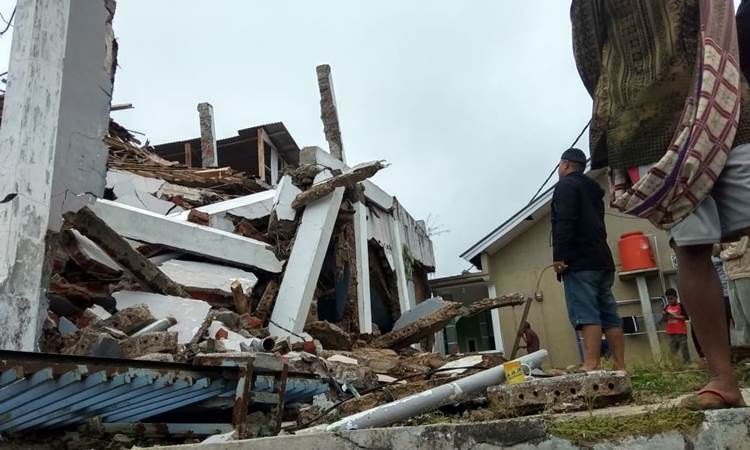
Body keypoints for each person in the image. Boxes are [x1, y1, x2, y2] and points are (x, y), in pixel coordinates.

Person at [571, 0, 750, 409]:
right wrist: (628, 92)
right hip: (647, 121)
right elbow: (589, 58)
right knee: (692, 244)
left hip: (726, 101)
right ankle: (723, 379)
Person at [551, 147, 625, 371]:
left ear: (565, 165)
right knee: (609, 313)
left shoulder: (565, 186)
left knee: (586, 312)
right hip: (602, 258)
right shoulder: (593, 189)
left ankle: (591, 363)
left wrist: (560, 256)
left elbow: (565, 221)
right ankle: (620, 365)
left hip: (579, 260)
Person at [721, 237, 750, 345]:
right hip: (731, 275)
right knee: (739, 320)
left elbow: (738, 248)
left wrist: (722, 254)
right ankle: (746, 352)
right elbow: (714, 251)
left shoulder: (740, 222)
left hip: (746, 273)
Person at [662, 289, 690, 364]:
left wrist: (674, 316)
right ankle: (674, 365)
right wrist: (665, 316)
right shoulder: (666, 307)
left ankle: (687, 364)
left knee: (684, 349)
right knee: (673, 350)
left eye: (671, 298)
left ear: (676, 297)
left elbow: (685, 317)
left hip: (681, 332)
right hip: (671, 333)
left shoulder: (680, 306)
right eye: (668, 299)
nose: (670, 301)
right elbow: (664, 320)